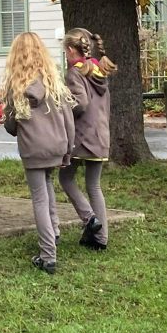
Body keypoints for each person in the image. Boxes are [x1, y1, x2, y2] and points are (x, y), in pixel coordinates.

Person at [0, 31, 76, 275]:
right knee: (48, 183)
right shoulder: (53, 81)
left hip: (34, 148)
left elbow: (13, 126)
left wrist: (4, 116)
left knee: (39, 198)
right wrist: (67, 150)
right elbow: (68, 119)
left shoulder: (17, 86)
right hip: (57, 144)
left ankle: (47, 255)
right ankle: (54, 232)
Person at [61, 28, 116, 251]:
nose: (65, 55)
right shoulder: (99, 69)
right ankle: (100, 239)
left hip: (82, 137)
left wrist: (62, 104)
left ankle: (89, 218)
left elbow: (80, 103)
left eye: (65, 51)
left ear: (72, 50)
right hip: (100, 135)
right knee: (94, 186)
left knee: (66, 179)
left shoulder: (75, 73)